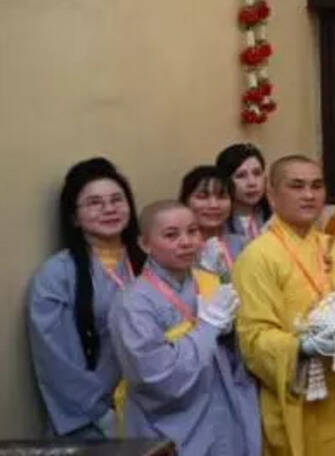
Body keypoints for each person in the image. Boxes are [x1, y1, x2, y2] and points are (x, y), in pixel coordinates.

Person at [233, 155, 335, 456]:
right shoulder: (258, 256)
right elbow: (253, 337)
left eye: (316, 186)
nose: (309, 195)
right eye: (296, 186)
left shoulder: (334, 247)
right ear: (272, 195)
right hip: (298, 393)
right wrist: (302, 348)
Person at [108, 200, 260, 456]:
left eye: (193, 231)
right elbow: (155, 376)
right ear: (144, 244)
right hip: (168, 426)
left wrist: (231, 330)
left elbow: (238, 357)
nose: (186, 241)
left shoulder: (209, 282)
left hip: (222, 415)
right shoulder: (132, 302)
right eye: (171, 235)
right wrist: (208, 327)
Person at [28, 157, 147, 438]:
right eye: (94, 203)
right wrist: (100, 415)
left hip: (154, 409)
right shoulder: (57, 275)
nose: (109, 209)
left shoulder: (151, 261)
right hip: (94, 421)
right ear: (73, 217)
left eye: (117, 199)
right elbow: (55, 361)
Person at [180, 166, 247, 279]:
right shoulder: (178, 249)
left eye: (222, 197)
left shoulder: (244, 245)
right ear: (185, 202)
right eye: (202, 197)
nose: (213, 205)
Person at [216, 143, 271, 243]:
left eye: (257, 173)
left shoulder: (277, 218)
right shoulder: (216, 224)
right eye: (241, 176)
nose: (252, 183)